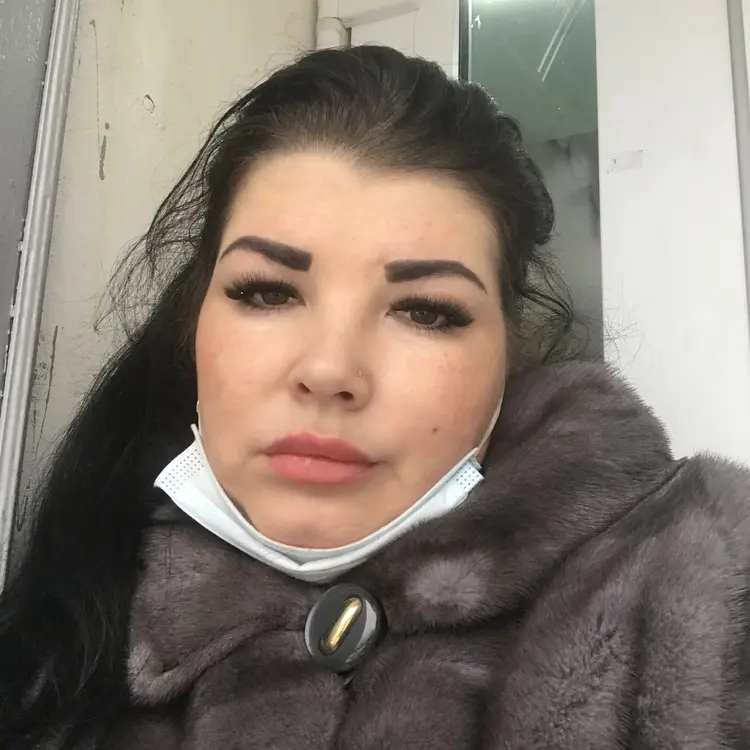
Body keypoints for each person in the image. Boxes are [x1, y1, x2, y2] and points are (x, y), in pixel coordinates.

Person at [1, 44, 748, 750]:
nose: (330, 370)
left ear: (507, 353)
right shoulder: (67, 620)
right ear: (194, 321)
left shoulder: (703, 582)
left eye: (425, 310)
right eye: (266, 292)